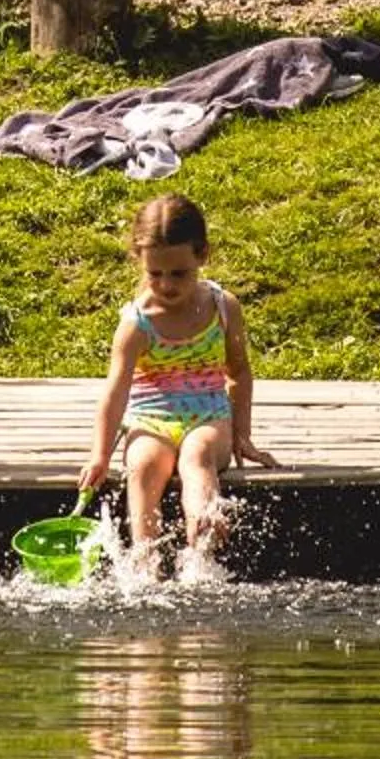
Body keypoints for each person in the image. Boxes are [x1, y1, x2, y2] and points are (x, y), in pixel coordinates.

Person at [79, 193, 279, 580]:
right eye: (155, 274)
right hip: (150, 417)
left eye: (179, 273)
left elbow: (239, 371)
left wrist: (243, 435)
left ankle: (200, 554)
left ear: (202, 255)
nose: (167, 285)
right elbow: (115, 392)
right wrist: (100, 455)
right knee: (141, 466)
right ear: (139, 260)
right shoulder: (138, 323)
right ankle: (145, 563)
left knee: (197, 457)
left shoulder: (223, 307)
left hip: (208, 415)